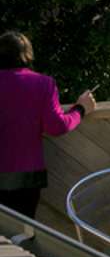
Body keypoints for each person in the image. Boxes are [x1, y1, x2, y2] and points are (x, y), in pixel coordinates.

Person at [0, 32, 95, 220]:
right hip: (25, 175)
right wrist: (81, 109)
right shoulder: (43, 84)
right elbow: (57, 126)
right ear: (27, 55)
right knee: (21, 235)